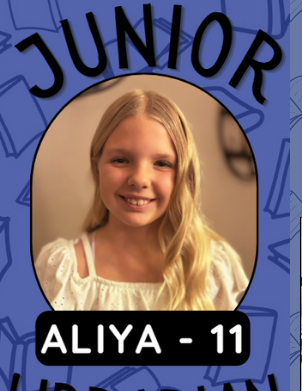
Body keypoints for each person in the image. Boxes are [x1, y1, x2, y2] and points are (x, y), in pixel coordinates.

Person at [35, 90, 248, 311]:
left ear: (183, 174)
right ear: (96, 167)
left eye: (162, 163)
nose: (139, 179)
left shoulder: (214, 267)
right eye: (120, 159)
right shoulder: (62, 270)